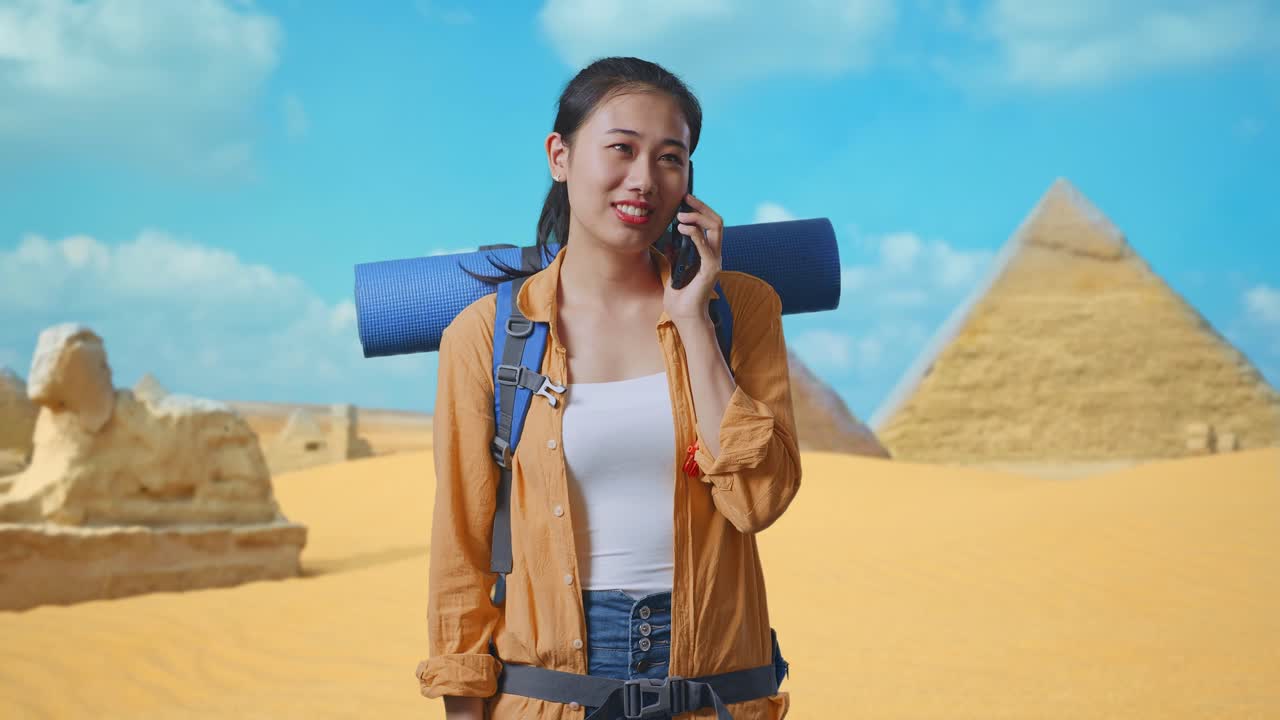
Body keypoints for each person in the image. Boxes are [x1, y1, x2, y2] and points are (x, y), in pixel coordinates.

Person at [416, 56, 800, 719]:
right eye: (620, 149)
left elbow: (757, 500)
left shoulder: (742, 310)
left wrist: (693, 323)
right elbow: (463, 545)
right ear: (560, 156)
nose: (644, 180)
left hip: (714, 692)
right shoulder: (486, 336)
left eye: (670, 158)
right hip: (548, 693)